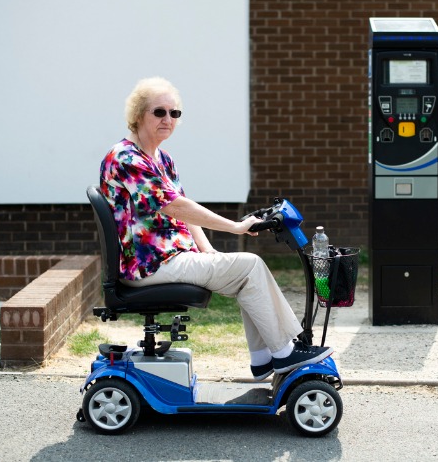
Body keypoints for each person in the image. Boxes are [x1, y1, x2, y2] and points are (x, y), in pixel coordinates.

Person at [99, 77, 332, 380]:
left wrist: (208, 251)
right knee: (250, 266)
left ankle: (264, 358)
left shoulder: (162, 159)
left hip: (170, 257)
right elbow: (176, 207)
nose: (168, 119)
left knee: (245, 274)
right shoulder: (127, 158)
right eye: (159, 112)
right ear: (138, 114)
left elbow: (184, 208)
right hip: (149, 265)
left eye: (174, 113)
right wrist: (236, 228)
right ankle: (284, 353)